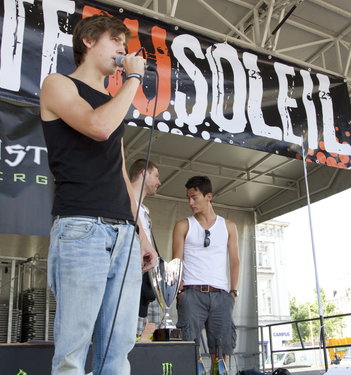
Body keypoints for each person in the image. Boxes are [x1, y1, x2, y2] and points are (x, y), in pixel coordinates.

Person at [40, 14, 157, 374]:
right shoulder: (58, 84)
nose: (123, 50)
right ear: (88, 40)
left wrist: (142, 235)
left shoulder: (112, 100)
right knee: (72, 354)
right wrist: (133, 78)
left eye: (124, 44)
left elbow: (120, 171)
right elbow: (99, 127)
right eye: (115, 41)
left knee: (117, 350)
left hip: (123, 234)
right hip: (81, 229)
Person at [172, 176, 240, 370]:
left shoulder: (229, 226)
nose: (190, 202)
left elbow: (235, 261)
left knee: (221, 352)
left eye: (194, 197)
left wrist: (233, 292)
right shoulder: (183, 225)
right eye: (188, 198)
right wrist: (180, 293)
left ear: (208, 196)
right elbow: (176, 262)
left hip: (221, 294)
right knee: (189, 349)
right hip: (191, 293)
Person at [128, 159, 162, 338]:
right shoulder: (123, 201)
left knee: (149, 333)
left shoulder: (144, 211)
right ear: (143, 173)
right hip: (128, 276)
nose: (159, 182)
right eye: (156, 175)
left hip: (147, 279)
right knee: (128, 330)